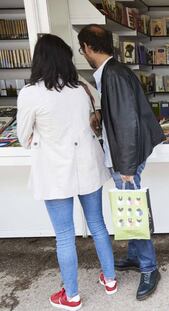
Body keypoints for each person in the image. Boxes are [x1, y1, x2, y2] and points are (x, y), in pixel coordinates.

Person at [17, 34, 117, 311]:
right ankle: (110, 279)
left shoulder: (31, 93)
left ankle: (71, 295)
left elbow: (23, 137)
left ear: (39, 60)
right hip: (87, 165)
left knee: (64, 234)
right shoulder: (81, 88)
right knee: (97, 224)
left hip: (54, 170)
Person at [77, 24, 165, 300]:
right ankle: (136, 256)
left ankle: (150, 267)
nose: (83, 53)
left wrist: (126, 166)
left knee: (132, 210)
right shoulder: (114, 71)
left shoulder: (112, 74)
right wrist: (101, 113)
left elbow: (127, 121)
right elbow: (121, 113)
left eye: (82, 49)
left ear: (88, 48)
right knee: (127, 207)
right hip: (125, 153)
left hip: (126, 157)